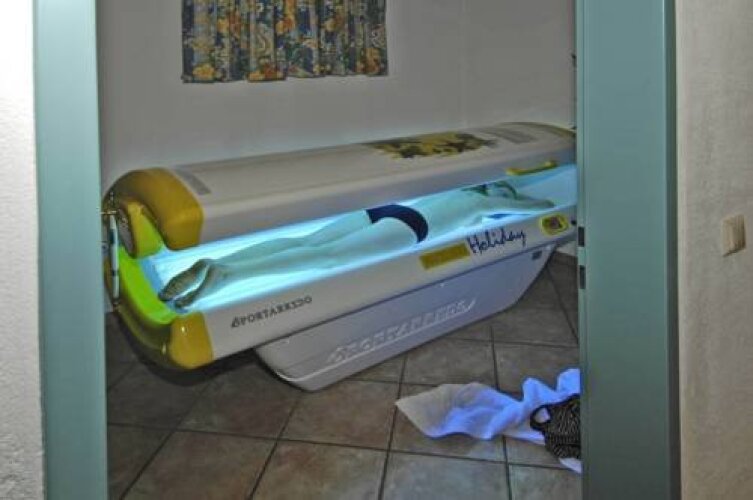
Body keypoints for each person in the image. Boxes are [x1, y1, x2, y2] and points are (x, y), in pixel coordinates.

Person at [159, 181, 554, 308]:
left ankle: (218, 261)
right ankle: (227, 274)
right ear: (494, 190)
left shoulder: (461, 189)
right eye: (503, 190)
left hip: (388, 209)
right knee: (326, 258)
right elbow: (535, 206)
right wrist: (528, 202)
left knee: (304, 241)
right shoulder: (477, 201)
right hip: (410, 225)